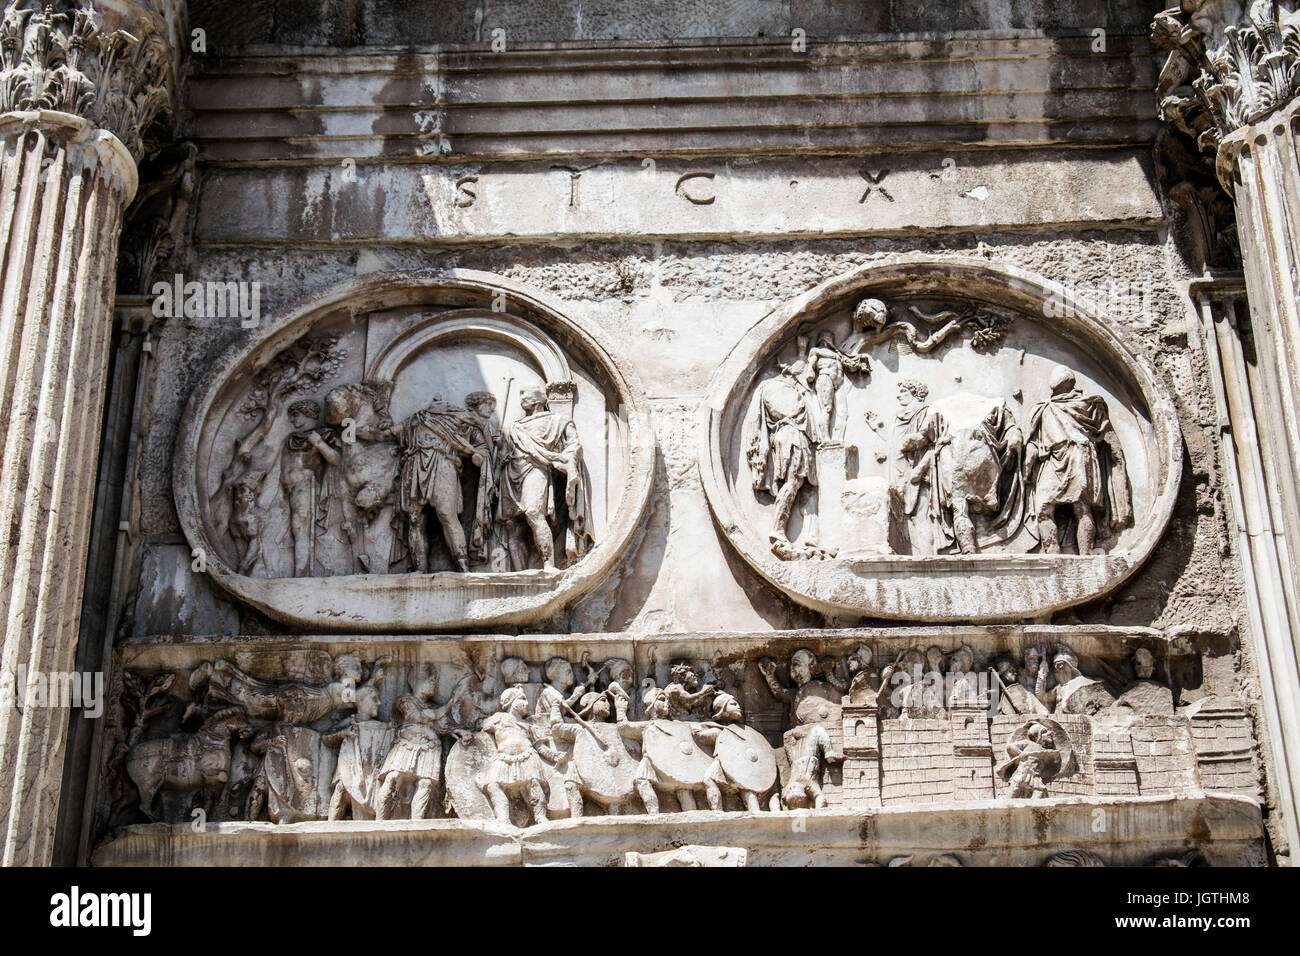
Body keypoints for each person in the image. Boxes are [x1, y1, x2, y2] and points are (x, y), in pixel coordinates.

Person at [1025, 366, 1132, 554]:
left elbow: (1107, 433)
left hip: (1079, 454)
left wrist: (1117, 458)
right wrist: (1028, 464)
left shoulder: (1088, 404)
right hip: (1051, 458)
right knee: (1043, 508)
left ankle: (1085, 554)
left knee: (1081, 506)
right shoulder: (1044, 408)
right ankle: (1052, 555)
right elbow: (1034, 440)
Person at [497, 386, 594, 570]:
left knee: (534, 513)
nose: (522, 397)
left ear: (538, 400)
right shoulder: (515, 426)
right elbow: (504, 451)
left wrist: (568, 459)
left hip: (537, 468)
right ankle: (520, 573)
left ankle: (548, 564)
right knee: (512, 525)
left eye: (525, 394)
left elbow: (574, 445)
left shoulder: (558, 421)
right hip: (511, 472)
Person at [395, 395, 484, 572]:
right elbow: (385, 434)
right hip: (415, 466)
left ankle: (463, 567)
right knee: (414, 518)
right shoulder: (415, 419)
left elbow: (480, 442)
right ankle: (420, 568)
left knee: (448, 514)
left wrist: (479, 453)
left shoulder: (459, 418)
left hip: (444, 463)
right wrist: (354, 430)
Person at [480, 687, 566, 826]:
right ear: (509, 702)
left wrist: (554, 756)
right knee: (492, 785)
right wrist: (462, 733)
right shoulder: (497, 719)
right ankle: (502, 817)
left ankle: (540, 817)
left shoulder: (529, 726)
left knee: (533, 785)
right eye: (521, 699)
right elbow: (478, 726)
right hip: (504, 758)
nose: (526, 703)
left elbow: (539, 747)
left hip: (527, 757)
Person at [280, 399, 340, 577]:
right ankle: (301, 570)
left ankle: (303, 572)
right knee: (295, 530)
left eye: (295, 415)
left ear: (307, 414)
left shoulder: (325, 434)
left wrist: (320, 443)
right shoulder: (291, 439)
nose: (292, 420)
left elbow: (338, 460)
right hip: (289, 490)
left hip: (309, 486)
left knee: (301, 529)